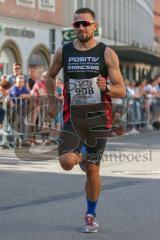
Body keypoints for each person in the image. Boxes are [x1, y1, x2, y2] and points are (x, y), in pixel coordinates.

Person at [46, 8, 126, 233]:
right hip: (73, 117)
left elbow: (122, 90)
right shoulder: (64, 51)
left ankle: (90, 214)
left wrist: (107, 87)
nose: (81, 28)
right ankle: (79, 153)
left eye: (85, 23)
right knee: (66, 162)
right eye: (76, 25)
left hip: (99, 120)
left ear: (94, 25)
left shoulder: (107, 53)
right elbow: (50, 75)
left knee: (92, 169)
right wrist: (52, 100)